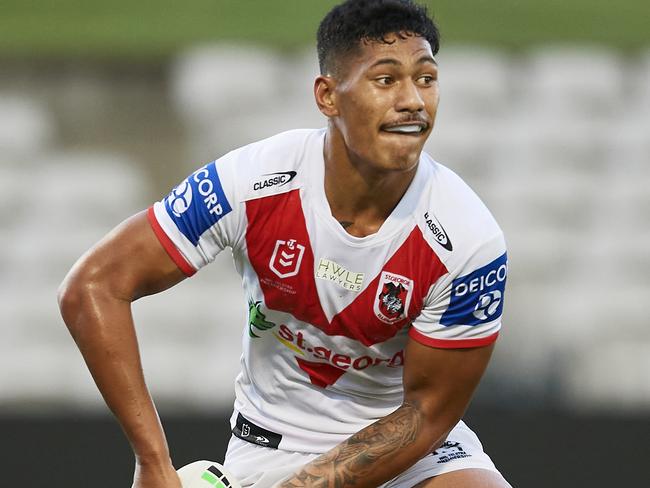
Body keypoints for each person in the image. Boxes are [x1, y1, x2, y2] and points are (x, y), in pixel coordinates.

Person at [58, 0, 511, 487]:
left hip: (412, 453)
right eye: (386, 80)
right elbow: (93, 286)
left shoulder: (468, 239)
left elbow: (426, 413)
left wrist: (306, 487)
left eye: (426, 79)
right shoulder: (251, 182)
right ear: (328, 95)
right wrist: (153, 462)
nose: (413, 101)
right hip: (271, 446)